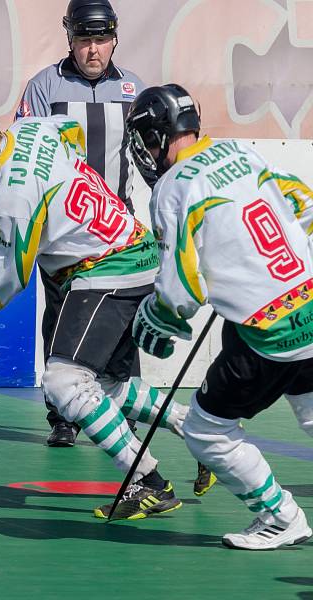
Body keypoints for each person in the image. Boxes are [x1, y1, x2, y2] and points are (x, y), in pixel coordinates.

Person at [0, 90, 191, 519]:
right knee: (106, 389)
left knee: (63, 384)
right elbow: (73, 136)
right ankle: (197, 430)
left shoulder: (12, 202)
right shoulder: (33, 128)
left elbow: (1, 286)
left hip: (107, 268)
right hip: (132, 246)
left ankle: (147, 481)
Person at [126, 83, 313, 548]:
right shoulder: (241, 153)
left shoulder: (173, 187)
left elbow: (182, 290)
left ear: (158, 134)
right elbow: (305, 206)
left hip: (266, 332)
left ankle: (281, 516)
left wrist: (158, 315)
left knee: (206, 431)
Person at [18, 0, 147, 450]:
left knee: (124, 326)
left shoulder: (135, 89)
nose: (94, 50)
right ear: (69, 37)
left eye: (101, 40)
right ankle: (64, 416)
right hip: (63, 236)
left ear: (114, 38)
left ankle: (124, 411)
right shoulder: (42, 87)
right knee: (60, 320)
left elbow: (152, 159)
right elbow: (25, 158)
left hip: (120, 234)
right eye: (84, 40)